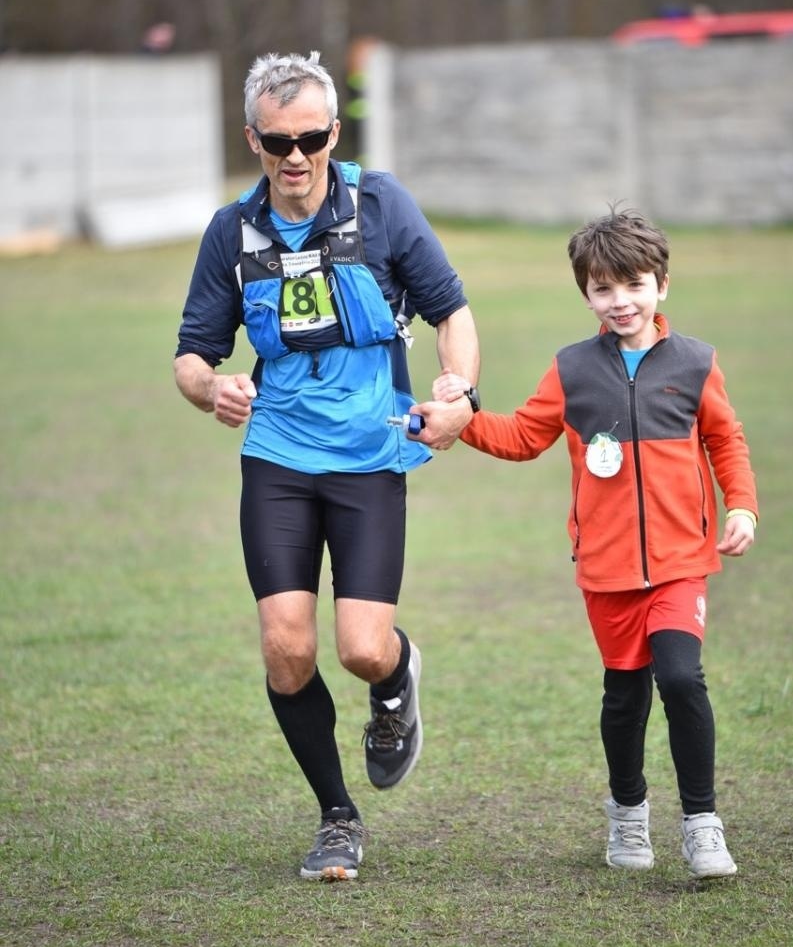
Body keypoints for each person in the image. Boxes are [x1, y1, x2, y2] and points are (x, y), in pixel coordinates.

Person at [174, 51, 478, 882]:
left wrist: (462, 394)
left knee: (360, 649)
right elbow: (192, 357)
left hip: (371, 452)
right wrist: (213, 390)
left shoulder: (380, 205)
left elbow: (451, 311)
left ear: (334, 133)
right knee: (284, 649)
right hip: (275, 454)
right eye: (278, 143)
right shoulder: (230, 231)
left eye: (312, 137)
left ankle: (396, 679)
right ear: (253, 141)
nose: (296, 157)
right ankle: (336, 817)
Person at [420, 207, 757, 879]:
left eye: (632, 284)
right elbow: (522, 435)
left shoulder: (694, 364)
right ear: (586, 295)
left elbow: (724, 438)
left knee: (681, 679)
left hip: (679, 563)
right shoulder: (571, 369)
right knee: (624, 696)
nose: (619, 301)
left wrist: (740, 504)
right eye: (602, 289)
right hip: (604, 570)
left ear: (660, 284)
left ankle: (701, 825)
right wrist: (460, 423)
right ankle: (628, 814)